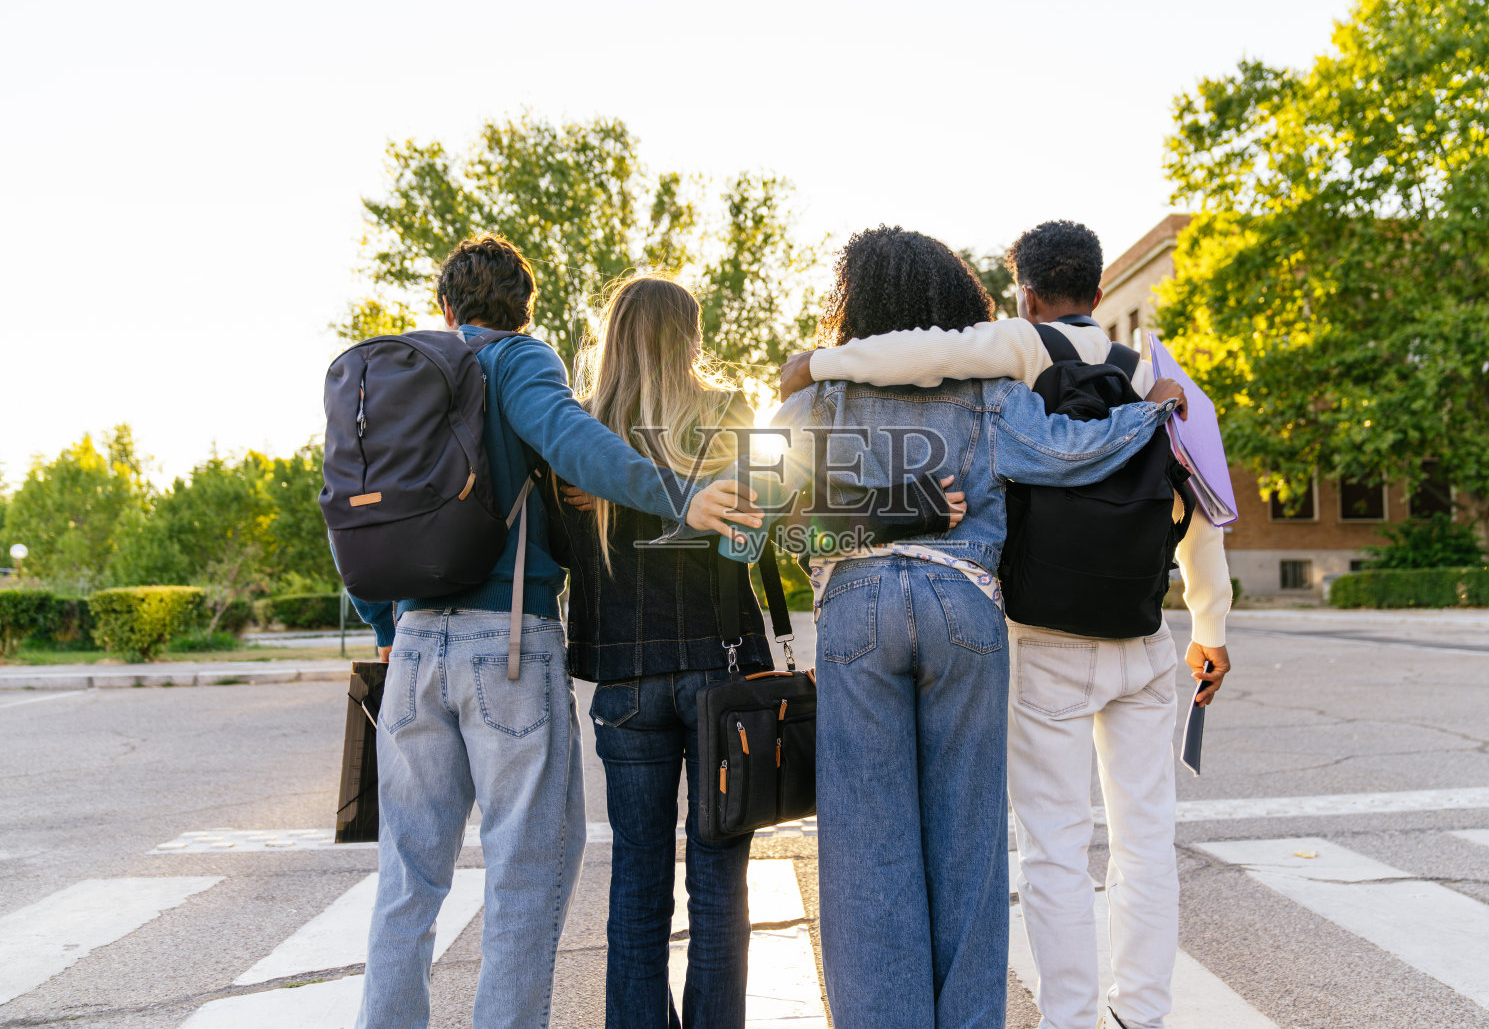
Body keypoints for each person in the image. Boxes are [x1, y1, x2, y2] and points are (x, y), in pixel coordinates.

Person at [780, 219, 1234, 1029]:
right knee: (971, 849)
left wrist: (877, 514)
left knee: (867, 846)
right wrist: (1148, 421)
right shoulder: (997, 388)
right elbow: (1066, 452)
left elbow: (773, 526)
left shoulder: (819, 395)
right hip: (970, 611)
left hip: (856, 614)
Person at [346, 236, 760, 1029]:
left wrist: (386, 625)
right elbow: (577, 449)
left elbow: (354, 506)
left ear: (446, 309)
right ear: (523, 312)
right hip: (508, 645)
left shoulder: (400, 374)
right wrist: (680, 494)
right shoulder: (520, 366)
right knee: (526, 877)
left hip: (417, 644)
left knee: (407, 878)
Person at [556, 275, 966, 1029]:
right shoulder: (724, 416)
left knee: (635, 884)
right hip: (722, 675)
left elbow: (557, 555)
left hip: (623, 682)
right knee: (718, 886)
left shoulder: (579, 439)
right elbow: (782, 527)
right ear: (690, 339)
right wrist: (917, 505)